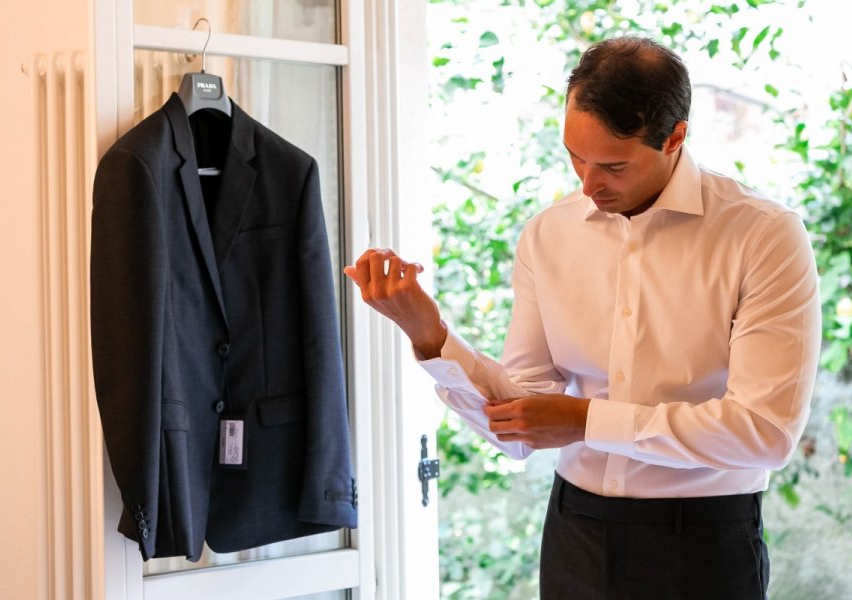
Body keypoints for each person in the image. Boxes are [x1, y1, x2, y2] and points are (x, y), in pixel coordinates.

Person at [345, 35, 821, 599]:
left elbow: (765, 434)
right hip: (574, 537)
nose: (588, 184)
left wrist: (586, 421)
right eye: (575, 156)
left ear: (674, 138)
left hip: (704, 544)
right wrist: (429, 333)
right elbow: (520, 427)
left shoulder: (763, 236)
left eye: (613, 165)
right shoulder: (549, 235)